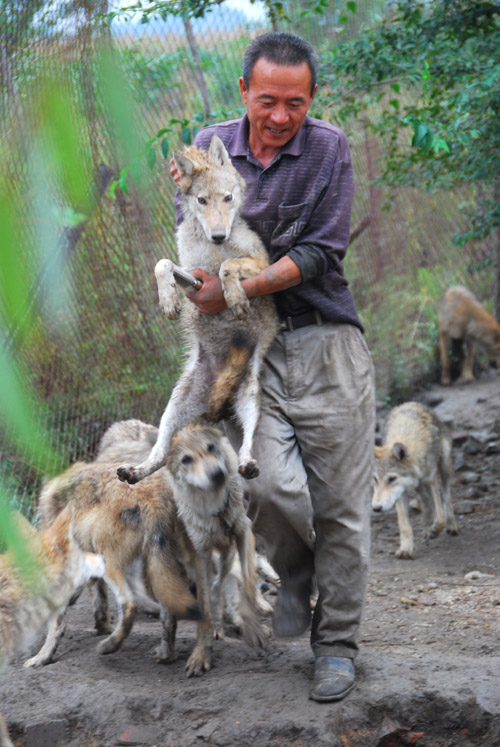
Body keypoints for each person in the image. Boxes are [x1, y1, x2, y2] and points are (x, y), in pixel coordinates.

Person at [170, 31, 375, 702]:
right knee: (264, 485)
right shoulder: (213, 146)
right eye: (268, 101)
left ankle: (337, 647)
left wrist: (237, 284)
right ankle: (295, 573)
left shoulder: (328, 149)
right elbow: (194, 231)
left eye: (296, 102)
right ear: (243, 95)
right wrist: (188, 282)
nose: (282, 116)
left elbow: (319, 252)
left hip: (323, 341)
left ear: (312, 98)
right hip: (242, 348)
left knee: (342, 505)